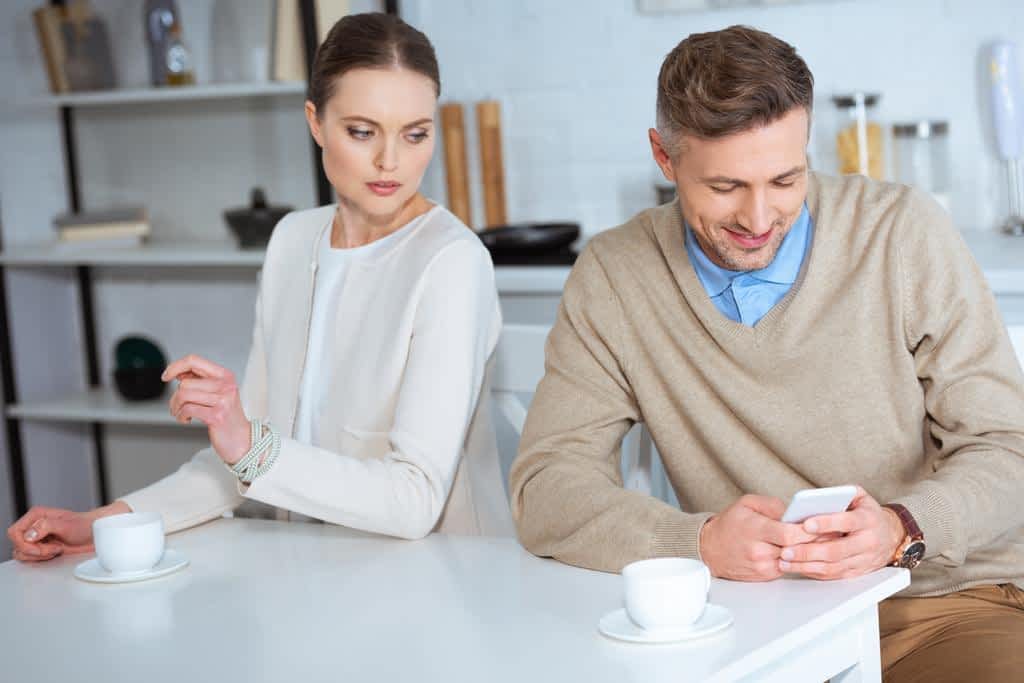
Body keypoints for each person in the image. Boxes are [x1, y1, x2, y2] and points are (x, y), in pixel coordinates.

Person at [509, 25, 1024, 681]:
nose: (758, 217)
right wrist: (693, 543)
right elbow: (546, 485)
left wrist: (903, 526)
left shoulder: (900, 233)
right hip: (751, 627)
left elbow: (1010, 444)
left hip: (944, 606)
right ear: (664, 159)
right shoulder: (615, 275)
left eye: (786, 178)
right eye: (724, 186)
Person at [8, 12, 511, 561]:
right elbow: (241, 460)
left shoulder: (452, 262)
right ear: (316, 123)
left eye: (416, 133)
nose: (391, 160)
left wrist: (248, 445)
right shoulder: (293, 242)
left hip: (442, 578)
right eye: (362, 132)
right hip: (308, 570)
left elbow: (414, 500)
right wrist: (99, 523)